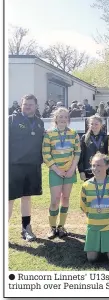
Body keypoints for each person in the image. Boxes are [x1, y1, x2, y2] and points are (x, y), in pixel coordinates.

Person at [9, 94, 45, 241]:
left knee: (27, 198)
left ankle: (26, 228)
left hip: (32, 166)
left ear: (36, 106)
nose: (27, 106)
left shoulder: (39, 123)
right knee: (8, 199)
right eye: (25, 104)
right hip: (13, 166)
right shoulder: (11, 120)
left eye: (30, 104)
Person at [42, 107, 81, 239]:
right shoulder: (49, 134)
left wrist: (71, 169)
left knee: (65, 199)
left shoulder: (74, 133)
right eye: (60, 117)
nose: (63, 119)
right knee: (55, 200)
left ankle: (61, 226)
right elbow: (46, 154)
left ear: (68, 119)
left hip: (69, 172)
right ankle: (52, 228)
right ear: (56, 119)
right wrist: (57, 170)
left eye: (65, 117)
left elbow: (77, 152)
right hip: (55, 172)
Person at [80, 153, 109, 262]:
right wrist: (92, 216)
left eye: (99, 165)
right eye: (93, 165)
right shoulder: (86, 185)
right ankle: (98, 245)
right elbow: (83, 205)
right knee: (91, 259)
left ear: (107, 166)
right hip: (93, 225)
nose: (95, 168)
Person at [78, 115, 109, 181]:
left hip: (102, 169)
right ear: (89, 125)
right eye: (92, 124)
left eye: (96, 124)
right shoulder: (84, 137)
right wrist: (81, 171)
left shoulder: (106, 137)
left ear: (101, 125)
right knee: (90, 189)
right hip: (88, 170)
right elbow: (81, 155)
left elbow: (108, 155)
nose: (94, 126)